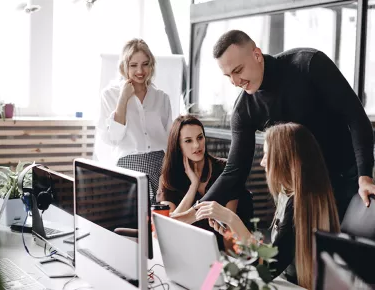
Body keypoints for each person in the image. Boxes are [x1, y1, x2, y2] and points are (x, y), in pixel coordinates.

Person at [177, 29, 374, 223]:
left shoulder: (309, 64)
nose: (235, 82)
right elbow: (235, 171)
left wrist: (364, 175)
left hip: (347, 176)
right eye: (228, 76)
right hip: (299, 191)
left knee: (346, 251)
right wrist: (195, 212)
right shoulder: (244, 109)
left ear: (256, 55)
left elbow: (356, 118)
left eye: (238, 70)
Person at [195, 123, 341, 289]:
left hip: (290, 285)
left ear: (284, 159)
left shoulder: (298, 205)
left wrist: (232, 219)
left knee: (212, 280)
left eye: (266, 155)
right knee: (214, 274)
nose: (263, 163)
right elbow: (275, 252)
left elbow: (268, 269)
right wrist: (233, 232)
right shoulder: (287, 194)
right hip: (282, 281)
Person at [156, 115, 253, 250]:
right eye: (188, 141)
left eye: (200, 138)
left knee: (213, 271)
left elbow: (230, 242)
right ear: (178, 145)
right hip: (187, 252)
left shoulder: (226, 171)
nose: (197, 145)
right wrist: (193, 186)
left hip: (223, 255)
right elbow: (168, 229)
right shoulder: (168, 178)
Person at [96, 38, 172, 202]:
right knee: (130, 221)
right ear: (124, 66)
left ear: (151, 65)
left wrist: (166, 173)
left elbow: (168, 140)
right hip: (127, 167)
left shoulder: (162, 98)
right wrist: (123, 99)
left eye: (145, 64)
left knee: (157, 219)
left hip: (160, 168)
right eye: (133, 65)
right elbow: (113, 138)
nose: (140, 70)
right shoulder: (110, 95)